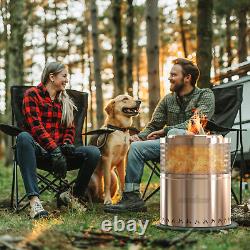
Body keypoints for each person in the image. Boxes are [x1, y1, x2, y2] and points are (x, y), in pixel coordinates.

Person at [104, 58, 215, 213]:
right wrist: (140, 137)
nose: (169, 78)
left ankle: (181, 196)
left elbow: (196, 124)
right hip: (168, 147)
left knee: (176, 134)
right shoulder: (168, 99)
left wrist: (166, 130)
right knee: (136, 147)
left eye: (173, 75)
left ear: (187, 78)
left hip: (198, 149)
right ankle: (132, 199)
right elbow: (154, 125)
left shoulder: (205, 95)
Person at [16, 62, 101, 219]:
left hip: (60, 154)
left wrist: (67, 144)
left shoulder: (65, 100)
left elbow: (70, 129)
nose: (66, 80)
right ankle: (35, 202)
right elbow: (36, 128)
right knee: (23, 137)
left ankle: (72, 197)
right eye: (64, 76)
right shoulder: (32, 95)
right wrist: (54, 149)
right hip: (38, 153)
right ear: (52, 77)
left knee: (93, 152)